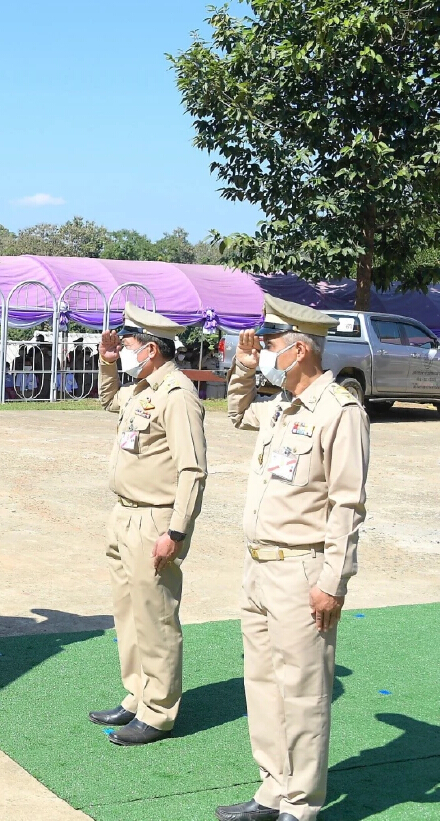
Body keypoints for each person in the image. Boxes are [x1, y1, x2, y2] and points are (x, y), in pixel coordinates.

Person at [215, 295, 369, 821]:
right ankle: (271, 790)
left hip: (302, 570)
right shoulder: (280, 406)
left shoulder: (340, 411)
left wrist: (334, 580)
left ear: (300, 348)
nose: (265, 351)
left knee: (302, 693)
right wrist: (244, 365)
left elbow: (348, 502)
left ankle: (300, 805)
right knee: (261, 687)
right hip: (258, 566)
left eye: (272, 344)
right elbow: (236, 413)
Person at [91, 304, 208, 746]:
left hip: (154, 520)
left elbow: (192, 470)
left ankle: (158, 711)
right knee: (128, 610)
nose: (123, 351)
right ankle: (137, 693)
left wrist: (175, 532)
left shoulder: (177, 396)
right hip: (123, 513)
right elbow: (107, 399)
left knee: (156, 615)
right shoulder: (143, 389)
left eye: (127, 345)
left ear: (152, 349)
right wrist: (106, 364)